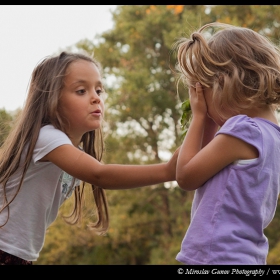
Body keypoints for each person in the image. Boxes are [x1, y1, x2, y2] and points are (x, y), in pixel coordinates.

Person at [0, 51, 179, 265]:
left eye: (99, 90)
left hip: (19, 254)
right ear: (52, 100)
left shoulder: (72, 153)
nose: (96, 98)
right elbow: (101, 175)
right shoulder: (45, 138)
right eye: (81, 91)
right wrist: (168, 171)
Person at [174, 22, 280, 265]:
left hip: (217, 256)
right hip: (247, 257)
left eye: (206, 90)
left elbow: (186, 176)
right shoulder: (271, 136)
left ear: (224, 83)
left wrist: (200, 117)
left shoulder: (242, 129)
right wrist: (211, 117)